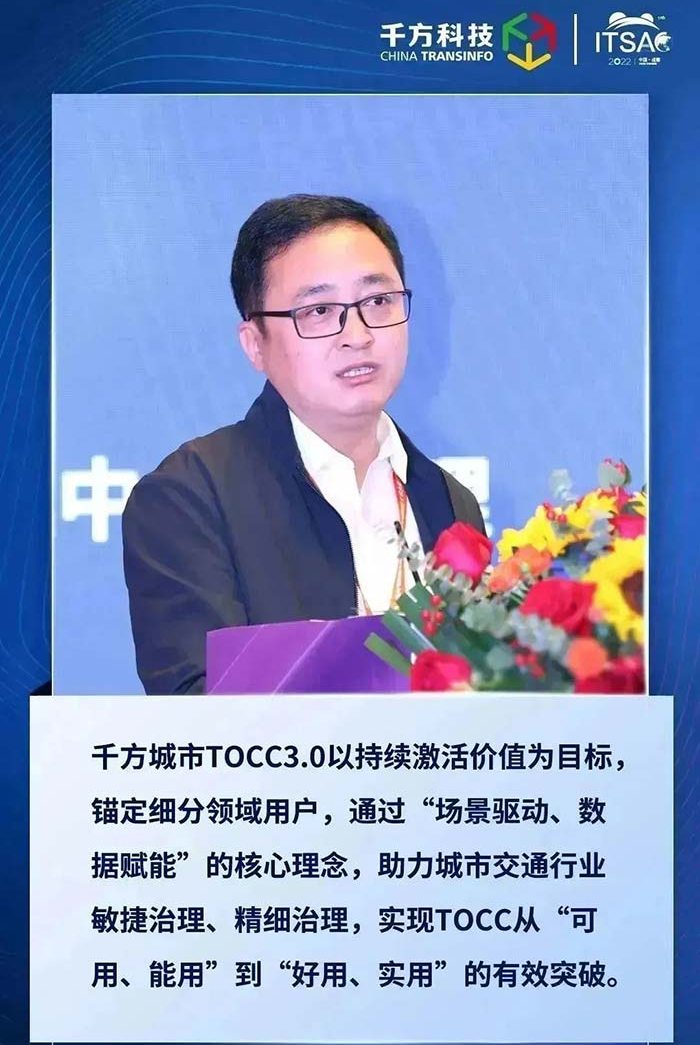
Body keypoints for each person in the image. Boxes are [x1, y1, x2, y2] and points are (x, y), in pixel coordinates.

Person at [122, 194, 485, 695]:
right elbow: (198, 712)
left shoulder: (448, 500)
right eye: (318, 310)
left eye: (378, 301)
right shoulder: (189, 497)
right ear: (255, 344)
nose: (357, 335)